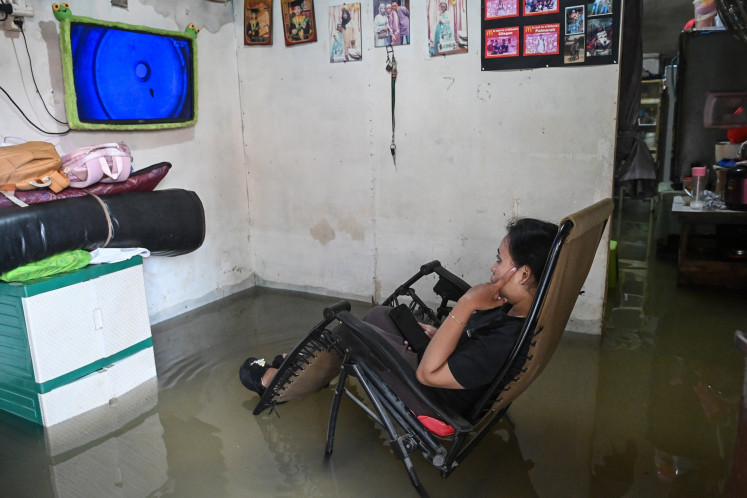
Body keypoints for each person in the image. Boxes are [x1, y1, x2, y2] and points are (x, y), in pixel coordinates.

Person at [240, 217, 558, 418]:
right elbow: (471, 345)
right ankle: (305, 365)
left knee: (349, 333)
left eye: (500, 260)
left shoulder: (504, 339)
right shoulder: (516, 311)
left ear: (524, 273)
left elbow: (429, 377)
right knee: (381, 315)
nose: (493, 267)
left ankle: (274, 383)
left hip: (435, 399)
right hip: (449, 375)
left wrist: (465, 304)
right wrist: (440, 334)